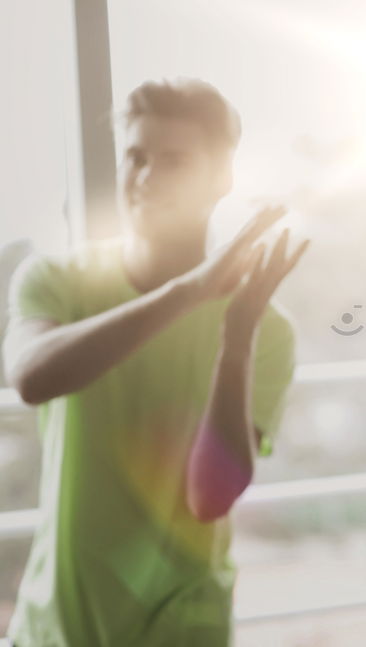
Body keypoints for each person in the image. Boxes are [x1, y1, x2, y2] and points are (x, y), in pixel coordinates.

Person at [2, 78, 308, 646]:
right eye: (135, 157)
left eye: (173, 161)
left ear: (222, 178)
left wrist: (235, 341)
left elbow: (209, 497)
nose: (145, 178)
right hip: (57, 625)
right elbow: (30, 376)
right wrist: (189, 291)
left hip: (181, 628)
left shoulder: (267, 329)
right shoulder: (55, 280)